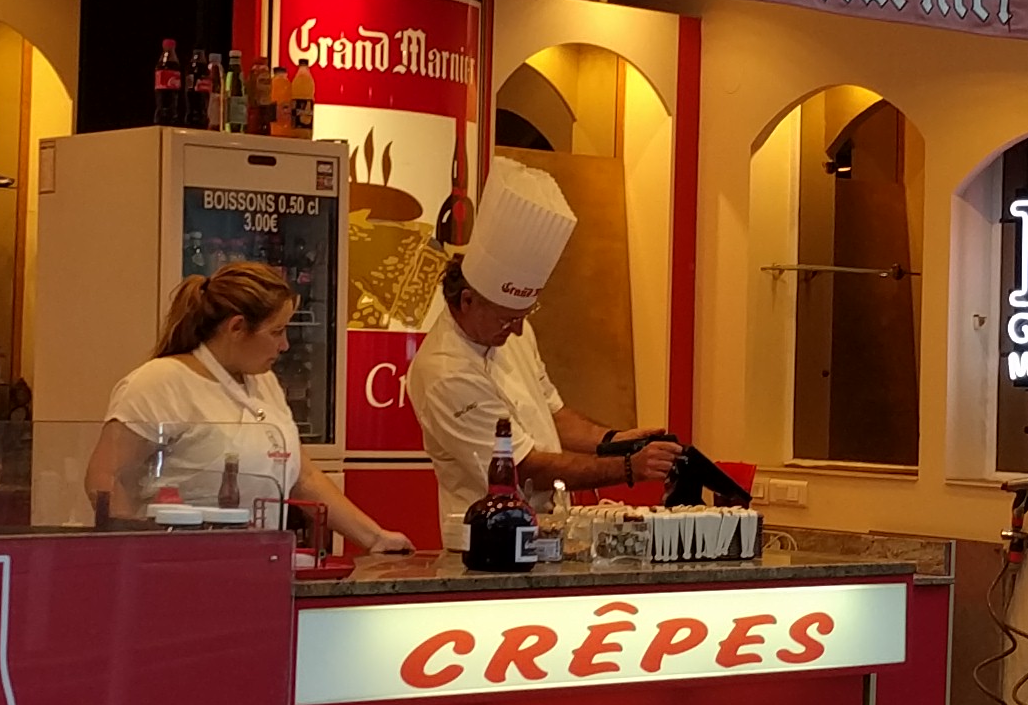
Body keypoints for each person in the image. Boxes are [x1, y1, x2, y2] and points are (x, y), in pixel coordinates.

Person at [403, 165, 683, 526]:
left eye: (525, 314)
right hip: (488, 532)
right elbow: (523, 467)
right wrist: (628, 467)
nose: (518, 329)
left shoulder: (510, 330)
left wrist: (615, 440)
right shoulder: (444, 372)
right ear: (468, 300)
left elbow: (554, 414)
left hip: (545, 522)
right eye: (507, 318)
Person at [86, 260, 408, 551]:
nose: (285, 345)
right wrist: (139, 552)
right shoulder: (160, 383)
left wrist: (374, 537)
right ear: (236, 327)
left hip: (256, 562)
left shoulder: (263, 383)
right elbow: (105, 478)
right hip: (179, 563)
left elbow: (303, 476)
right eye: (277, 332)